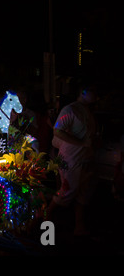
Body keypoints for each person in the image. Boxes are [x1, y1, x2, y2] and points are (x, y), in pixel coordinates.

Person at [47, 83, 98, 236]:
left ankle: (79, 226)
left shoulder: (87, 111)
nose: (96, 96)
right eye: (92, 92)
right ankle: (45, 215)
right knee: (67, 190)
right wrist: (81, 143)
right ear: (83, 92)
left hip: (83, 158)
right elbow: (57, 130)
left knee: (82, 193)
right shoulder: (70, 110)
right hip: (71, 159)